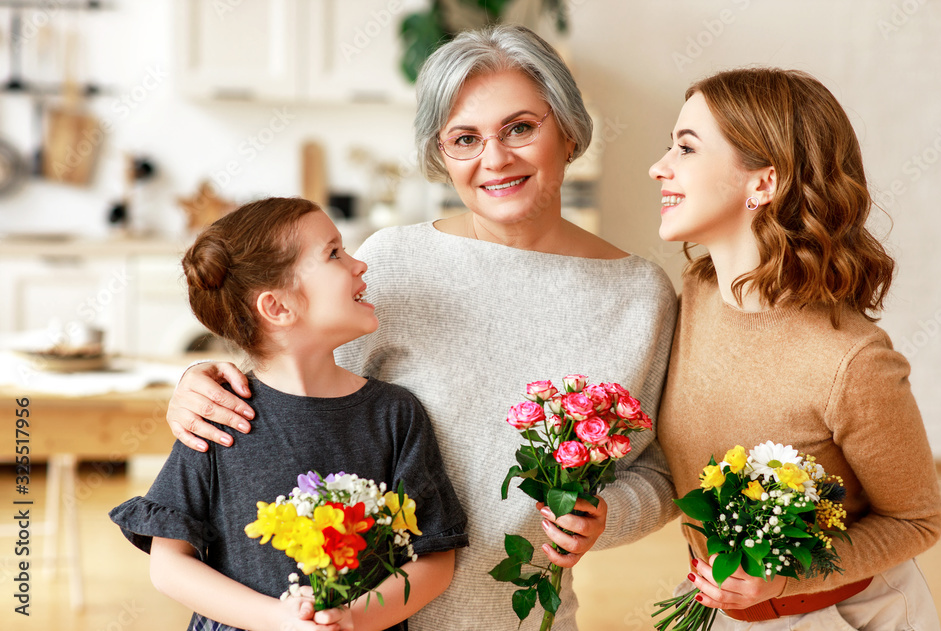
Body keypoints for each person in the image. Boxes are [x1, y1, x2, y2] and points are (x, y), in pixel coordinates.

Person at [162, 25, 678, 630]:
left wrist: (606, 514)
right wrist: (203, 383)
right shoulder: (391, 264)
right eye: (465, 139)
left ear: (566, 130)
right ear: (441, 155)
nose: (496, 159)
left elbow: (660, 471)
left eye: (520, 128)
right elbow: (301, 397)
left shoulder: (641, 296)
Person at [651, 68, 941, 629]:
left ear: (764, 183)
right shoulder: (698, 294)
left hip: (844, 614)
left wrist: (784, 577)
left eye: (686, 148)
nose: (659, 167)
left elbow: (916, 521)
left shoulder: (854, 362)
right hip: (719, 610)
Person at [110, 197, 468, 631]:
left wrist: (352, 620)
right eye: (334, 253)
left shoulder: (396, 414)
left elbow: (435, 556)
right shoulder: (221, 415)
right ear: (277, 307)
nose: (360, 266)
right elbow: (169, 566)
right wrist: (279, 621)